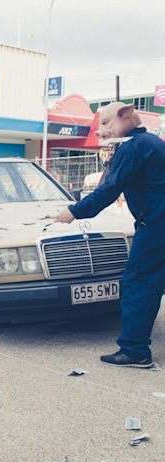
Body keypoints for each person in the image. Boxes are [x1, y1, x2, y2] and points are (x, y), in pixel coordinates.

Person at [54, 101, 165, 368]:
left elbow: (108, 190)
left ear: (126, 115)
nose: (101, 130)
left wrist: (73, 211)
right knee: (152, 283)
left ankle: (135, 350)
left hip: (156, 225)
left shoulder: (133, 147)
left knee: (138, 284)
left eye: (106, 123)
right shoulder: (151, 142)